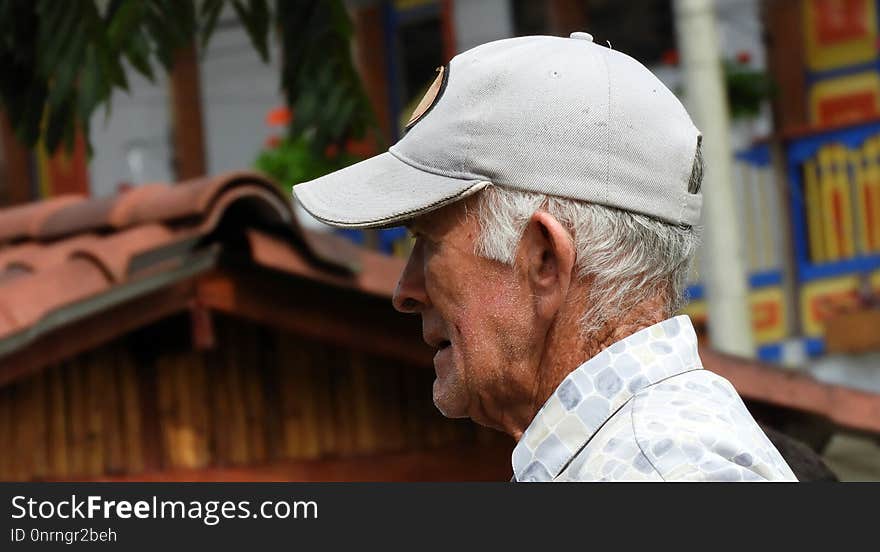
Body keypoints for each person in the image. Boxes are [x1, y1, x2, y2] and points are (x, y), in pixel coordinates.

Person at [294, 33, 797, 481]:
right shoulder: (630, 457)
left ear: (544, 261)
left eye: (427, 241)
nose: (405, 291)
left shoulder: (652, 471)